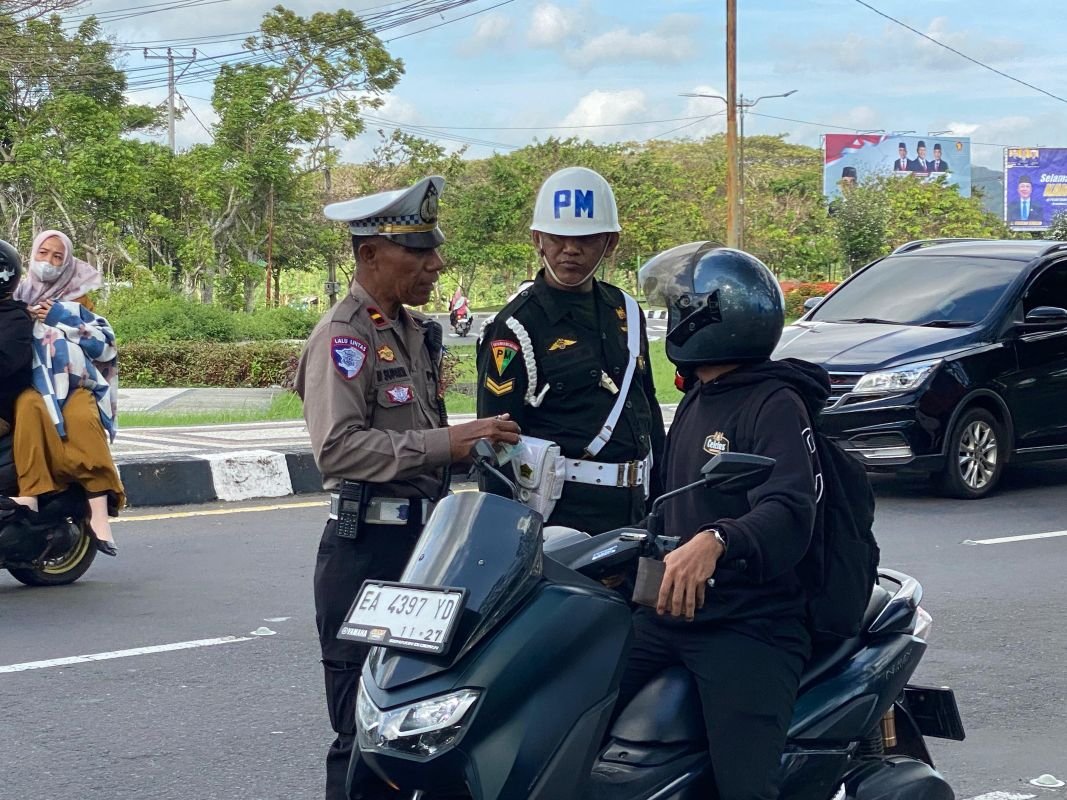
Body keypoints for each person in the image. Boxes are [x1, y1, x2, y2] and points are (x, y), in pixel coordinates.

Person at [294, 175, 520, 800]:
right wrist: (452, 441)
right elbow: (337, 447)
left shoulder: (414, 332)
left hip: (427, 549)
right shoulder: (346, 337)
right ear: (370, 255)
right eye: (418, 252)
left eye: (433, 249)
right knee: (360, 730)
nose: (435, 264)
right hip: (368, 548)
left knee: (421, 717)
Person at [620, 243, 831, 800]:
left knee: (743, 787)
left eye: (678, 308)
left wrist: (717, 540)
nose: (671, 320)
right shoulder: (699, 397)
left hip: (748, 623)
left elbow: (789, 510)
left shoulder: (774, 402)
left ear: (710, 316)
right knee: (567, 705)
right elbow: (670, 503)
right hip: (669, 614)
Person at [476, 166, 665, 534]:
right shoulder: (515, 326)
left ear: (611, 243)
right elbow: (496, 444)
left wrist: (664, 504)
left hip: (637, 513)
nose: (570, 250)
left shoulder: (625, 309)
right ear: (537, 239)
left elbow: (647, 407)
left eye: (587, 239)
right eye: (558, 237)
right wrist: (512, 530)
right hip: (561, 521)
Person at [10, 229, 123, 555]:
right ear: (31, 256)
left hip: (77, 384)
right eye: (43, 253)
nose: (48, 261)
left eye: (58, 257)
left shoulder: (77, 299)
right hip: (35, 387)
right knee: (27, 410)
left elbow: (104, 344)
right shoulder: (16, 294)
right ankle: (30, 494)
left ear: (68, 263)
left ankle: (99, 513)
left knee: (82, 418)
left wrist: (58, 316)